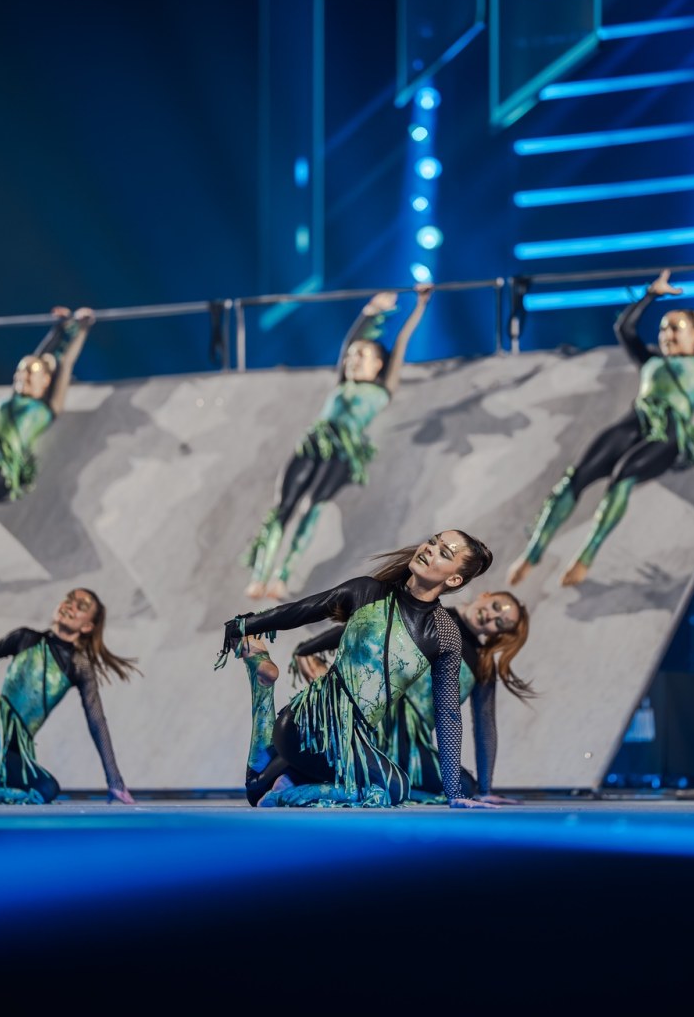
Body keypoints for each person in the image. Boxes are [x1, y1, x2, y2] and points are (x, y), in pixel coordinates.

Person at [507, 255, 694, 587]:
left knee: (622, 476)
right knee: (577, 476)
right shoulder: (651, 361)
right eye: (663, 329)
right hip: (634, 421)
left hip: (668, 432)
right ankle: (533, 551)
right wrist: (651, 294)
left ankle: (586, 556)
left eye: (675, 328)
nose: (666, 335)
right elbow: (624, 328)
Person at [217, 529, 506, 808]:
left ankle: (261, 682)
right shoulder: (368, 591)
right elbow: (300, 610)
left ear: (454, 579)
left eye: (444, 553)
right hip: (308, 725)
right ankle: (286, 794)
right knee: (392, 788)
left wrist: (455, 793)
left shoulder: (444, 634)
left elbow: (448, 714)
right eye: (433, 541)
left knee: (257, 788)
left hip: (353, 742)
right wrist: (244, 625)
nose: (430, 549)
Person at [243, 286, 432, 602]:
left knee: (311, 506)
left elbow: (400, 342)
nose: (352, 361)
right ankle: (259, 574)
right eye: (350, 357)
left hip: (343, 451)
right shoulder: (342, 383)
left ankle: (282, 575)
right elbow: (349, 341)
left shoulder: (383, 388)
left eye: (362, 356)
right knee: (283, 506)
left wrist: (420, 305)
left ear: (378, 364)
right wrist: (371, 310)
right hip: (314, 444)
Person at [291, 589, 534, 803]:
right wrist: (307, 648)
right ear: (485, 595)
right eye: (495, 606)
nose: (491, 616)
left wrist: (485, 789)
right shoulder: (430, 617)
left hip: (412, 746)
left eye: (499, 623)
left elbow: (485, 725)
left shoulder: (483, 664)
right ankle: (314, 775)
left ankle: (378, 786)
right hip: (376, 717)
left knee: (464, 785)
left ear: (497, 634)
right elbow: (366, 627)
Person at [0, 588, 138, 804]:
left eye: (81, 606)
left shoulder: (79, 666)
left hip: (13, 759)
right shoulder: (24, 638)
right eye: (69, 599)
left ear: (87, 626)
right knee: (45, 789)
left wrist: (115, 780)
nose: (70, 605)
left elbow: (97, 722)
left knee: (47, 789)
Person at [0, 305, 95, 556]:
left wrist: (81, 328)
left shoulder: (46, 407)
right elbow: (38, 358)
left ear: (44, 382)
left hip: (5, 469)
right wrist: (59, 328)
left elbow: (64, 362)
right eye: (20, 374)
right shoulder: (14, 398)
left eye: (29, 376)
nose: (22, 378)